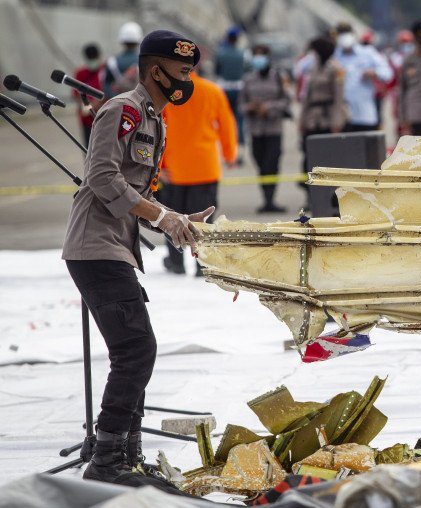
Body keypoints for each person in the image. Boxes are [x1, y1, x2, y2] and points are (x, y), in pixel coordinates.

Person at [62, 29, 211, 485]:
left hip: (116, 246)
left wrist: (177, 219)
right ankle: (107, 460)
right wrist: (164, 217)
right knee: (136, 349)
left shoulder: (155, 119)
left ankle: (128, 456)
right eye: (183, 71)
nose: (188, 80)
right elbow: (103, 178)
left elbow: (136, 195)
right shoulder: (122, 109)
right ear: (155, 71)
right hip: (94, 247)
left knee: (134, 350)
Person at [160, 68, 238, 275]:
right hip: (205, 166)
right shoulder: (212, 90)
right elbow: (226, 123)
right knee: (203, 220)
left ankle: (176, 262)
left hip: (175, 167)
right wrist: (230, 154)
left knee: (171, 218)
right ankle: (201, 263)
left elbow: (159, 128)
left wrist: (158, 166)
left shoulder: (168, 94)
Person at [241, 43, 292, 214]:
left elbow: (286, 101)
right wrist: (251, 107)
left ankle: (270, 200)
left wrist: (268, 108)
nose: (258, 59)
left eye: (262, 55)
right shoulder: (248, 79)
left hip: (273, 129)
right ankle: (266, 198)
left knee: (272, 163)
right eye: (256, 55)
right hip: (255, 130)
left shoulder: (278, 77)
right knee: (260, 163)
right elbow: (241, 105)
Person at [299, 36, 346, 177]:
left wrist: (336, 122)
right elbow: (307, 96)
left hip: (329, 117)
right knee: (310, 155)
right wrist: (302, 119)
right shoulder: (313, 68)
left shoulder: (336, 69)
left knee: (329, 156)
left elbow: (339, 97)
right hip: (313, 118)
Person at [334, 23, 393, 131]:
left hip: (365, 114)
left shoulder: (367, 53)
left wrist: (374, 73)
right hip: (342, 116)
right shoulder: (334, 55)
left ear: (353, 34)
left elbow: (387, 73)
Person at [216, 26, 247, 151]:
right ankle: (240, 148)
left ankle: (228, 148)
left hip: (225, 88)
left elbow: (217, 71)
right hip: (239, 88)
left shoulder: (221, 54)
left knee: (226, 118)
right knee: (239, 119)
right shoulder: (242, 54)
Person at [73, 43, 105, 145]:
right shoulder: (80, 73)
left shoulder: (104, 71)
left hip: (103, 117)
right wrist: (85, 106)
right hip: (87, 120)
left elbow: (108, 92)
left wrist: (94, 105)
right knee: (88, 148)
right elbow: (76, 94)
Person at [105, 21, 143, 98]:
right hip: (139, 104)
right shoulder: (144, 61)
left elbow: (106, 86)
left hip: (118, 103)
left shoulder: (112, 61)